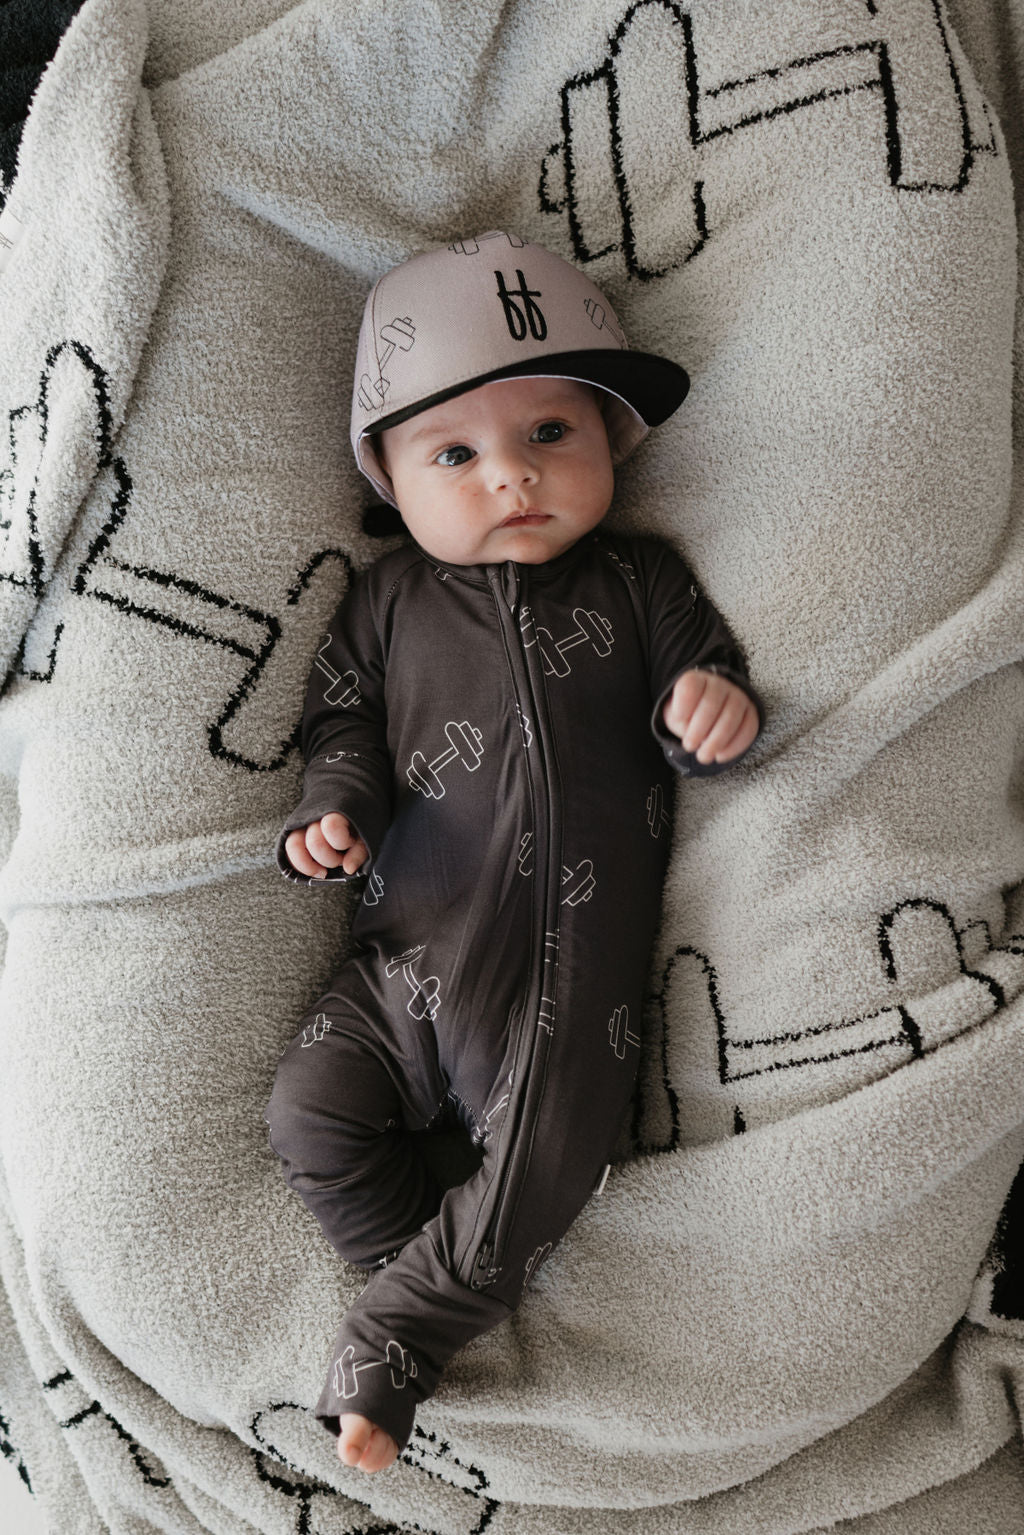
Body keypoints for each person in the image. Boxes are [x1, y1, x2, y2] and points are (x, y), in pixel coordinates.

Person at [266, 231, 761, 1473]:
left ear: (609, 439)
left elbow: (708, 695)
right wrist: (335, 811)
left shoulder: (642, 584)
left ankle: (401, 1334)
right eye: (455, 453)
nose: (510, 478)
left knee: (552, 1147)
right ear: (386, 478)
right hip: (397, 960)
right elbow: (339, 724)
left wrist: (713, 708)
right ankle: (451, 1258)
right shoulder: (383, 602)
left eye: (551, 433)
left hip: (560, 984)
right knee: (310, 1115)